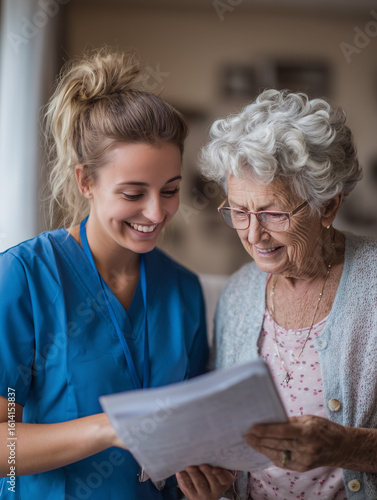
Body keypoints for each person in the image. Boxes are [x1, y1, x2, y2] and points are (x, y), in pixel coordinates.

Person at [0, 47, 219, 500]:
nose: (156, 212)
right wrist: (107, 428)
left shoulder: (183, 290)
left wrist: (206, 482)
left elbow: (189, 438)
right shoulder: (23, 278)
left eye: (170, 190)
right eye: (134, 193)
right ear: (85, 181)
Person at [194, 89, 377, 499]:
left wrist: (348, 447)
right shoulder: (239, 292)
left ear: (327, 206)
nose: (253, 234)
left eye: (274, 213)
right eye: (239, 211)